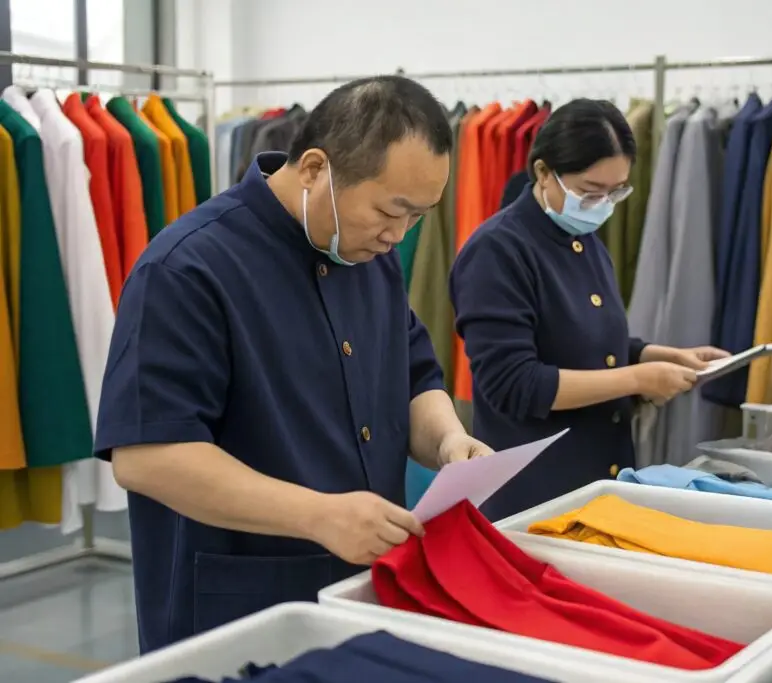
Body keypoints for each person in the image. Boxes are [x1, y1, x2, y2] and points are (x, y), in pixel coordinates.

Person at [94, 76, 493, 654]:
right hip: (238, 610)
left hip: (363, 592)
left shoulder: (367, 254)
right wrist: (318, 516)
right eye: (390, 210)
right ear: (313, 169)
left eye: (419, 217)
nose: (399, 235)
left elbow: (412, 375)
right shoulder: (188, 270)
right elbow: (148, 457)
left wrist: (450, 444)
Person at [449, 99, 728, 521]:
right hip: (534, 492)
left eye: (616, 191)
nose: (602, 205)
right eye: (590, 191)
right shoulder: (498, 250)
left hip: (597, 477)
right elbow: (514, 383)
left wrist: (656, 355)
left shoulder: (582, 239)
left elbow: (585, 341)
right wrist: (637, 378)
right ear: (543, 172)